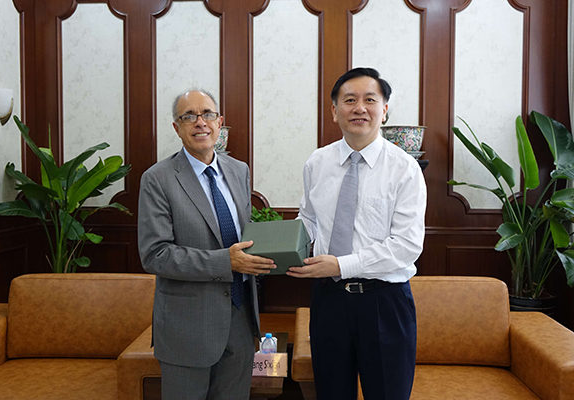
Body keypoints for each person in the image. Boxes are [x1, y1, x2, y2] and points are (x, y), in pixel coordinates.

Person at [288, 68, 427, 400]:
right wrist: (282, 249)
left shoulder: (404, 168)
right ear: (334, 111)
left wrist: (340, 265)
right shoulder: (317, 163)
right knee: (331, 393)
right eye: (349, 100)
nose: (359, 108)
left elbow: (406, 246)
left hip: (384, 302)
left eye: (370, 100)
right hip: (329, 300)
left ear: (385, 110)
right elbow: (308, 220)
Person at [138, 89, 276, 400]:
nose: (200, 122)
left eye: (208, 114)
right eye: (189, 116)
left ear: (219, 123)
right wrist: (226, 262)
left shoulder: (238, 170)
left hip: (241, 320)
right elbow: (155, 255)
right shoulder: (158, 179)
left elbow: (243, 237)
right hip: (188, 328)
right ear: (177, 128)